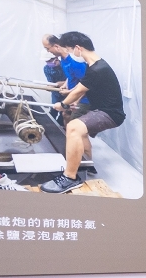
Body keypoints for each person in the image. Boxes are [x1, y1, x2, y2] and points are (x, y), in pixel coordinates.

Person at [41, 31, 126, 194]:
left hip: (109, 113)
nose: (70, 54)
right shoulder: (92, 65)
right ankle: (82, 165)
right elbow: (84, 88)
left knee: (73, 127)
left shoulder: (98, 68)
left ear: (78, 48)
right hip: (99, 109)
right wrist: (74, 102)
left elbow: (78, 90)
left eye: (70, 50)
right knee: (77, 130)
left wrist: (63, 104)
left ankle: (70, 177)